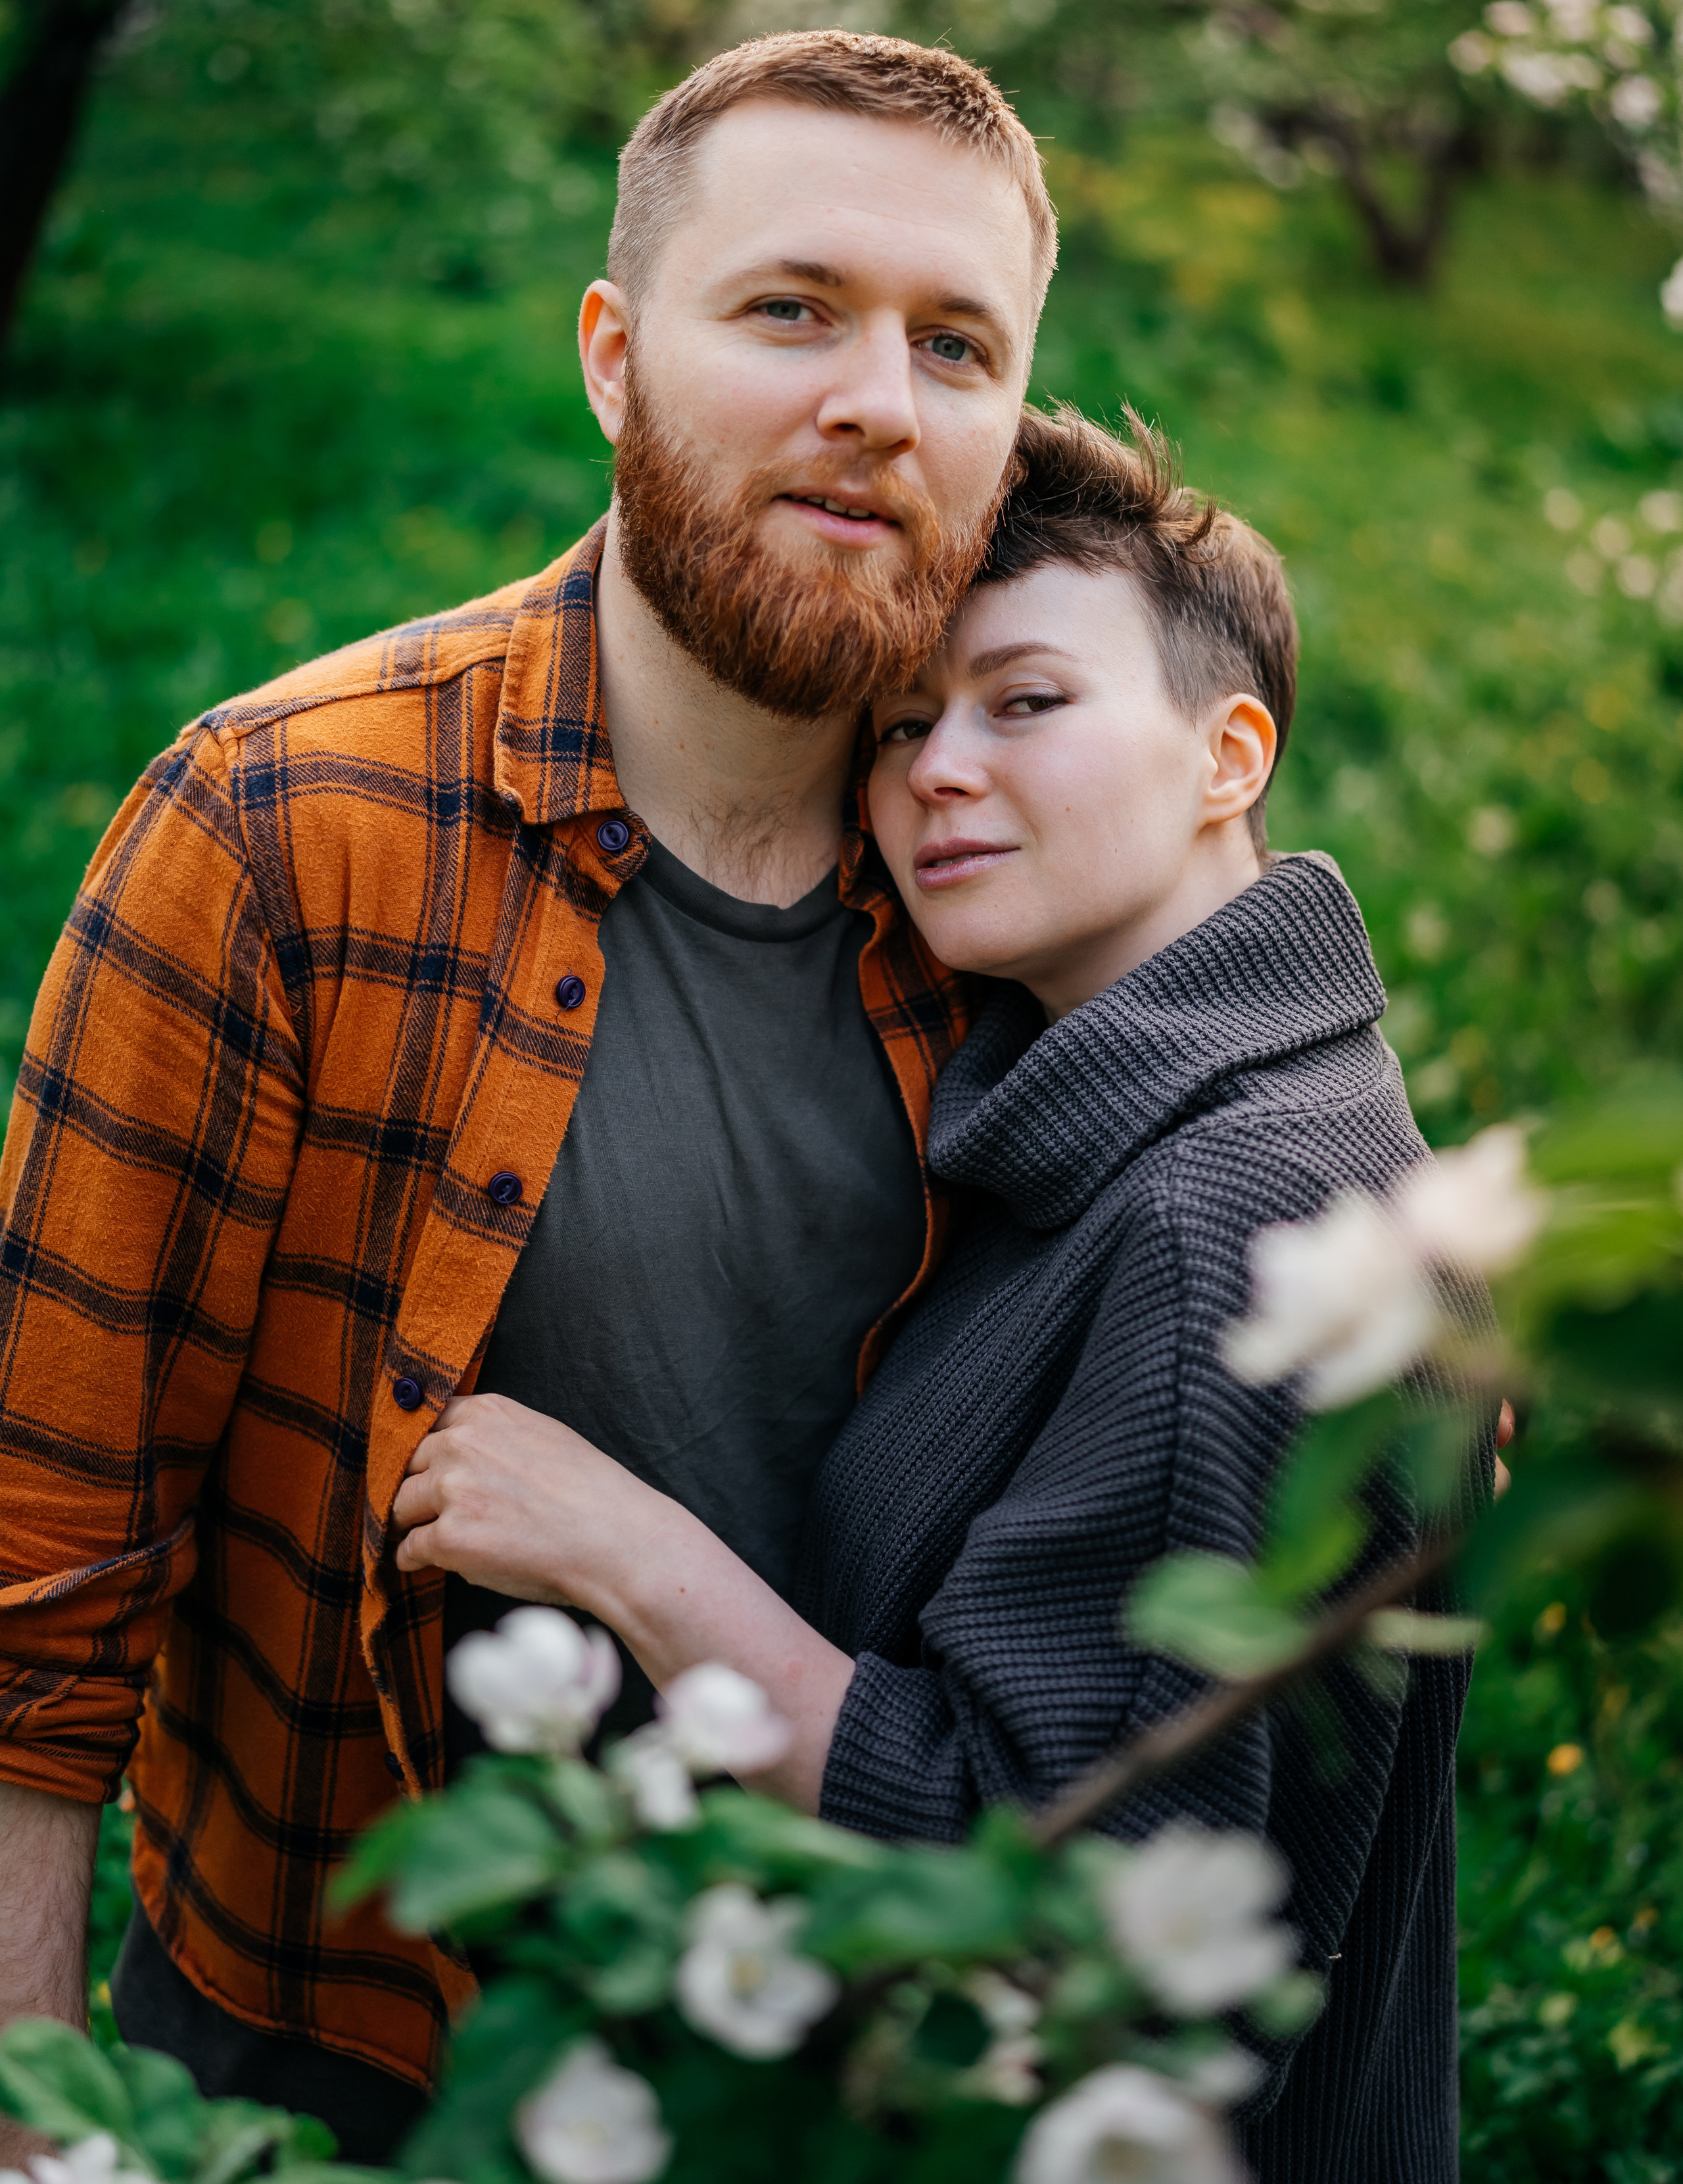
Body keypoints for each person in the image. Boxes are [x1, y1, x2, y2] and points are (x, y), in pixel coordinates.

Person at [0, 30, 1055, 2160]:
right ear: (609, 355)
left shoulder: (1034, 907)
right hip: (343, 2084)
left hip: (852, 2091)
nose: (880, 397)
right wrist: (34, 2132)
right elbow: (34, 1584)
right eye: (791, 310)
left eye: (960, 344)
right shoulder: (285, 831)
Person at [394, 406, 1477, 2181]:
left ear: (1230, 756)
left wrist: (623, 1554)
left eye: (1026, 702)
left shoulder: (1228, 1216)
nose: (935, 774)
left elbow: (1048, 1891)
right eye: (903, 725)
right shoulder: (1196, 1115)